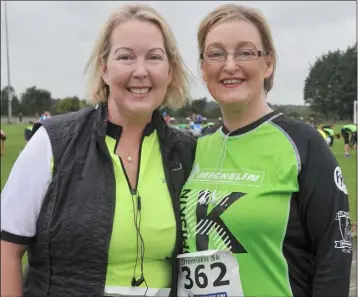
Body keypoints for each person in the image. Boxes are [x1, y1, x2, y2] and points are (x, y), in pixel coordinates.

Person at [1, 4, 196, 297]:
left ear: (170, 71)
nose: (140, 71)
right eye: (126, 57)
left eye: (154, 57)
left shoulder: (187, 152)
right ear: (104, 69)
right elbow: (7, 248)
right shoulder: (52, 143)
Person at [178, 4, 352, 297]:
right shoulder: (195, 147)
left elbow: (334, 254)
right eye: (216, 53)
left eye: (245, 52)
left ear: (268, 63)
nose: (229, 65)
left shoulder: (304, 144)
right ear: (204, 67)